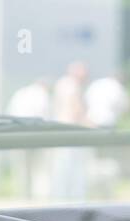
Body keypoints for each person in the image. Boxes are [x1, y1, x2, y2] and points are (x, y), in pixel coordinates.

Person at [7, 78, 52, 198]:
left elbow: (10, 113)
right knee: (39, 168)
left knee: (22, 167)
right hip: (36, 135)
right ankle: (39, 195)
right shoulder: (42, 94)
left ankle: (22, 194)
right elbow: (44, 116)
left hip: (17, 134)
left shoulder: (20, 93)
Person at [50, 62, 90, 199]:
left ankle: (60, 196)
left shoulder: (62, 83)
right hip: (72, 130)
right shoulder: (72, 85)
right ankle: (76, 197)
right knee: (74, 167)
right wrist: (88, 124)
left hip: (60, 129)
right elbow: (76, 109)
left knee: (62, 166)